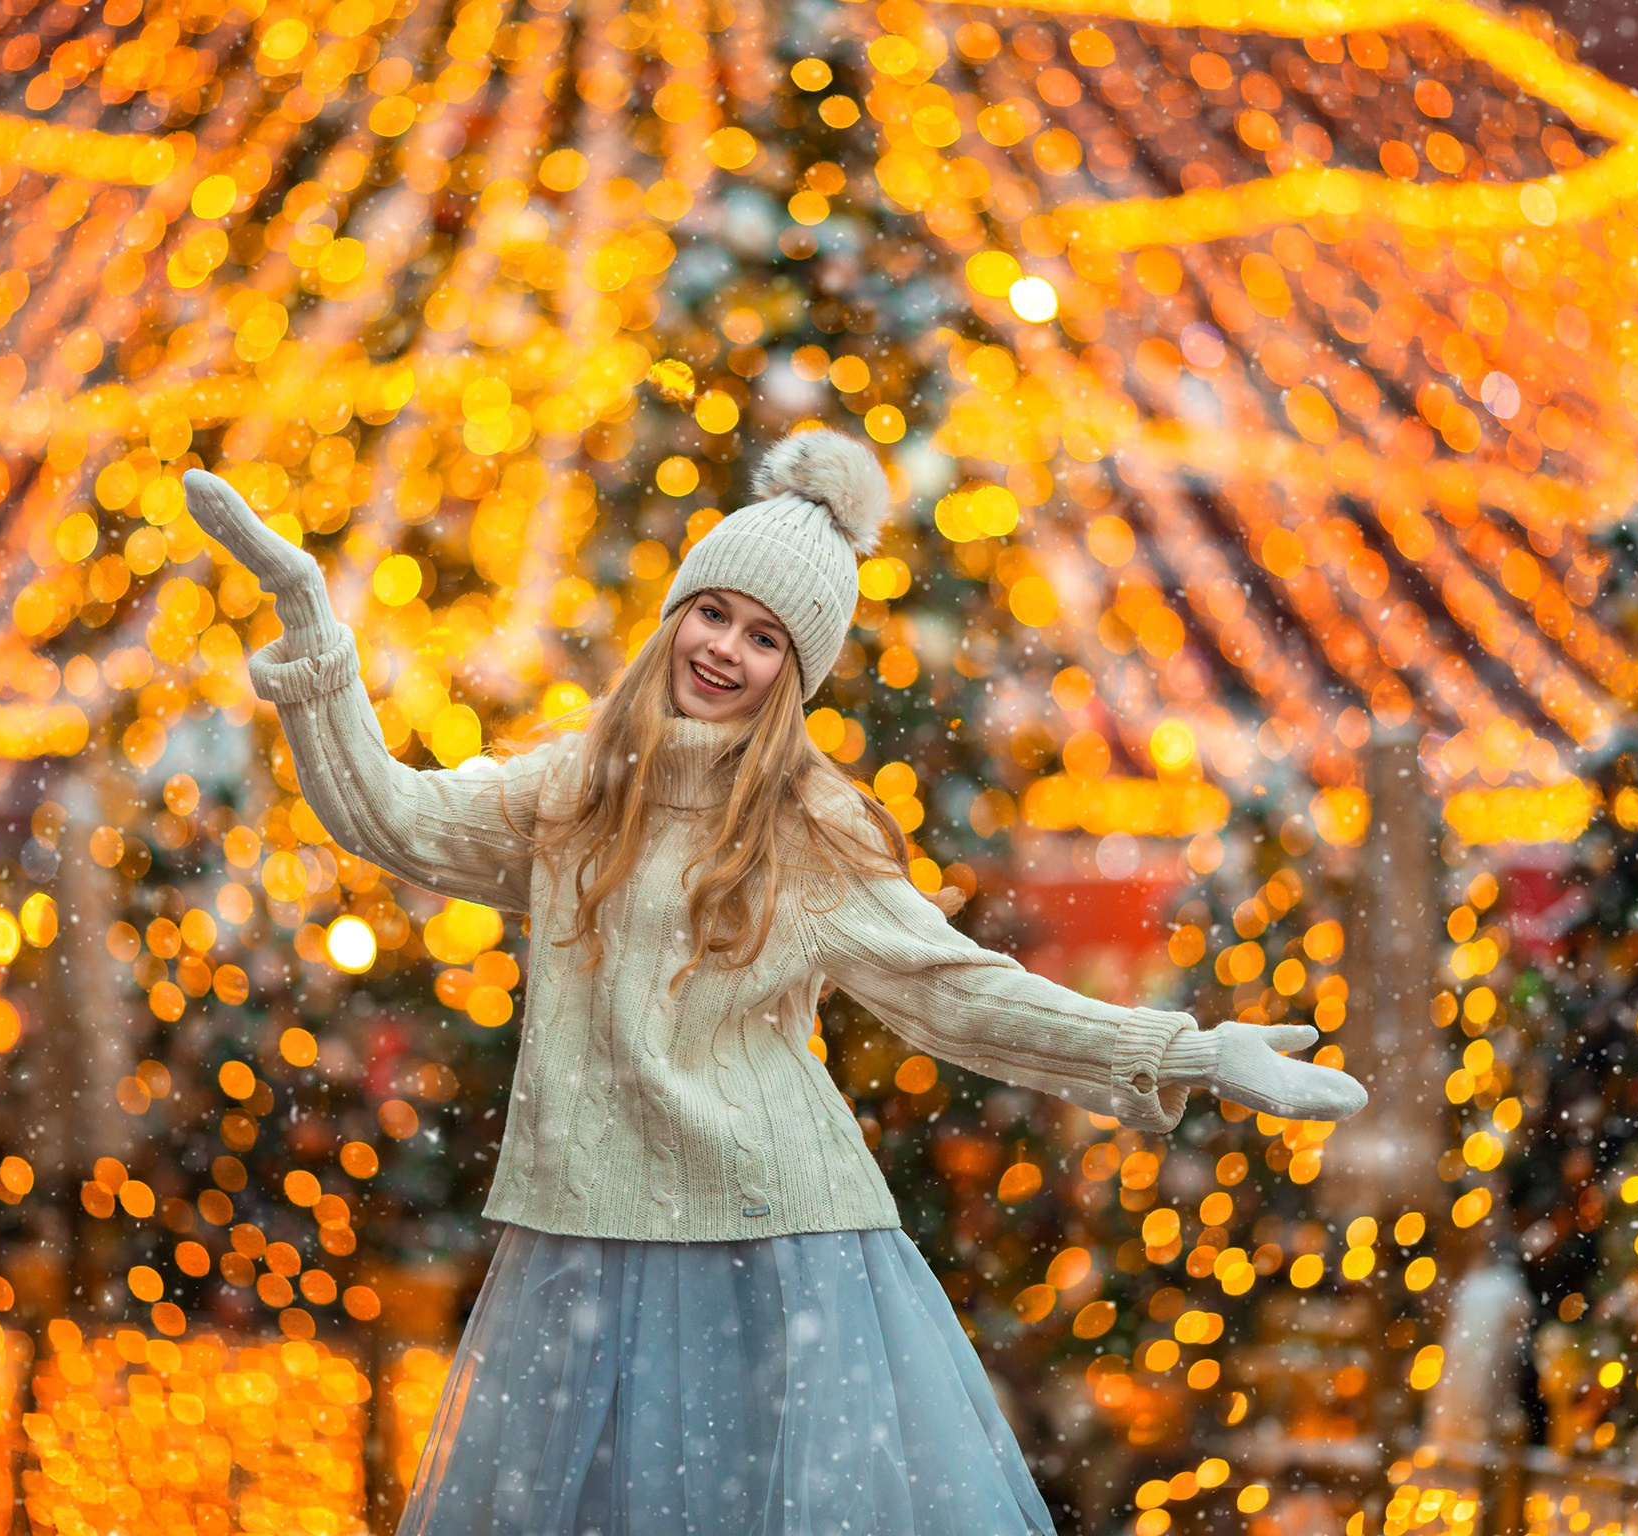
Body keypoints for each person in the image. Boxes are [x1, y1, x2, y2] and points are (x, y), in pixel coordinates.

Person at [181, 429, 1367, 1535]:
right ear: (672, 617)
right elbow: (387, 818)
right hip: (586, 1231)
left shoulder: (810, 830)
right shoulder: (572, 793)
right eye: (712, 613)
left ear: (796, 674)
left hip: (774, 1242)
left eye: (764, 638)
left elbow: (957, 992)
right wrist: (313, 630)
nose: (724, 651)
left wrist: (1191, 1052)